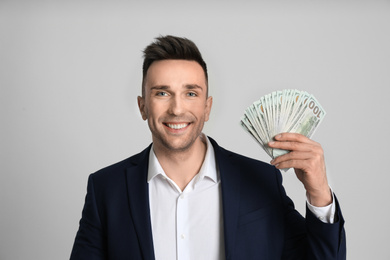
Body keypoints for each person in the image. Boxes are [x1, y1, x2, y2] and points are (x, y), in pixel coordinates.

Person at [70, 35, 346, 260]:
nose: (177, 108)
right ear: (143, 107)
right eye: (162, 93)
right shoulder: (106, 189)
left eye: (191, 93)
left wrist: (319, 192)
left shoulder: (262, 181)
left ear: (207, 107)